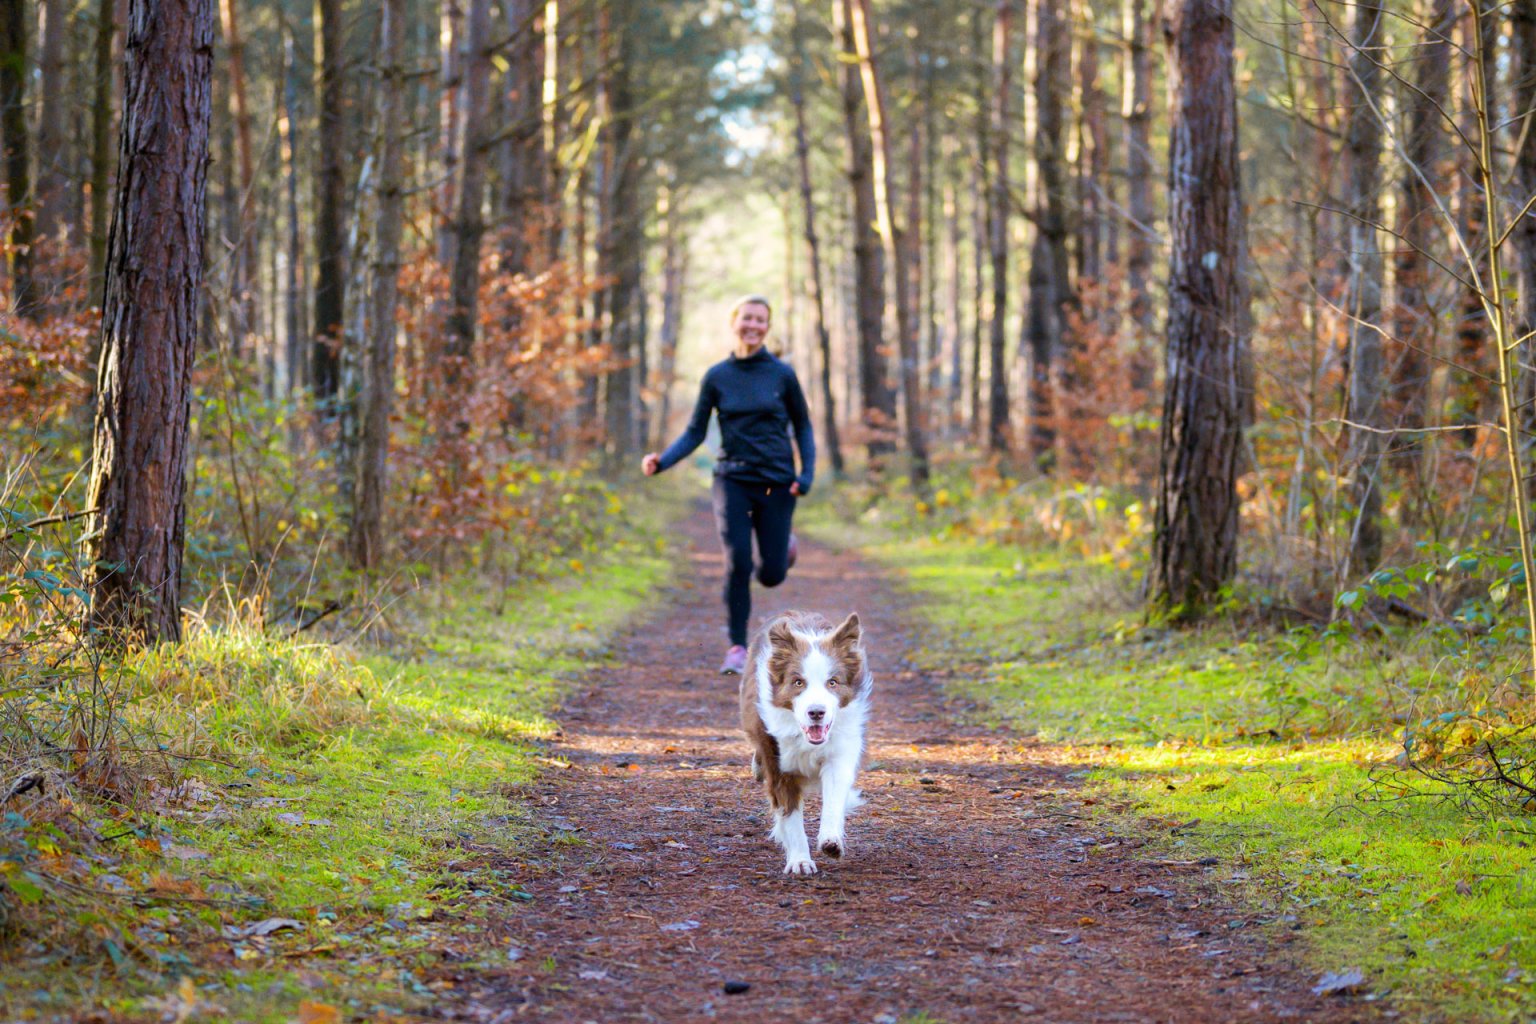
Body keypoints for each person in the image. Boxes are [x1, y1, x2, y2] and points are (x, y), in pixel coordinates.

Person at [642, 295, 815, 675]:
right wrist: (662, 461)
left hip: (776, 482)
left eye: (761, 320)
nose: (753, 325)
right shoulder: (717, 376)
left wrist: (806, 475)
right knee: (737, 562)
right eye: (747, 318)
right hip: (732, 479)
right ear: (734, 322)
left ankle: (782, 548)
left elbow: (802, 426)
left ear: (767, 328)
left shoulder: (782, 375)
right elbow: (695, 432)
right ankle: (737, 646)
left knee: (770, 574)